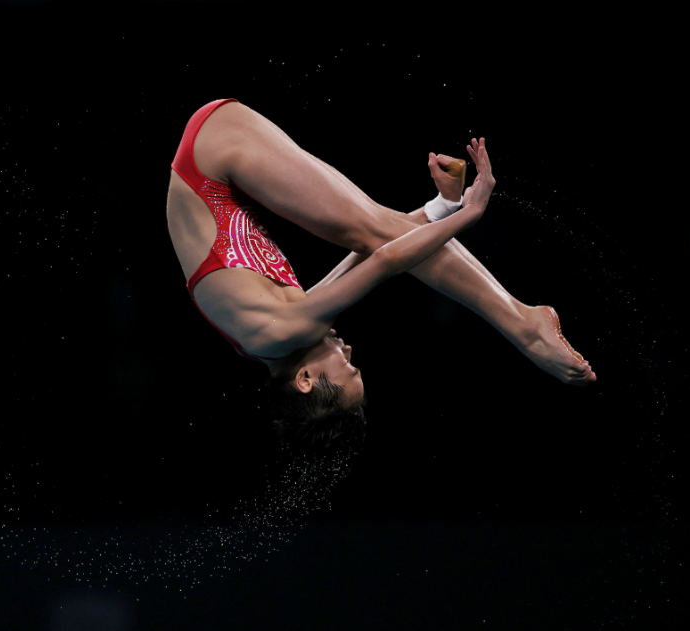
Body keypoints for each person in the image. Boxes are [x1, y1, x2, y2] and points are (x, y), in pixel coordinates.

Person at [167, 98, 596, 449]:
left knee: (367, 226)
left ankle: (523, 325)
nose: (350, 351)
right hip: (212, 155)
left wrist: (470, 214)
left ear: (304, 380)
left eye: (347, 368)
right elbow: (369, 254)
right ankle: (521, 320)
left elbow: (385, 260)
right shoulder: (272, 338)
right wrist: (440, 210)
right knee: (368, 228)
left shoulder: (278, 332)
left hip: (211, 156)